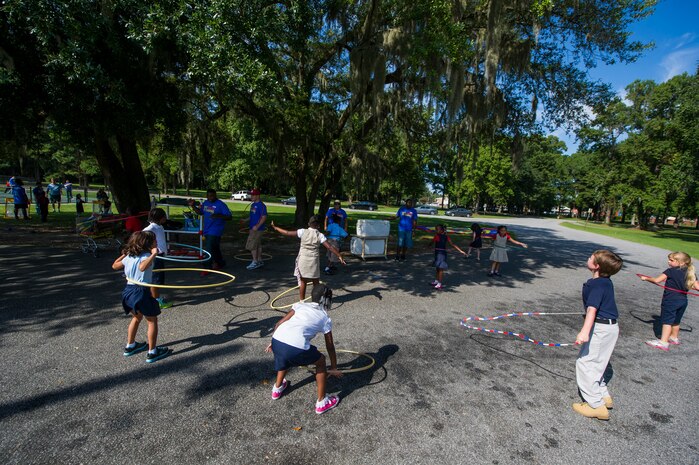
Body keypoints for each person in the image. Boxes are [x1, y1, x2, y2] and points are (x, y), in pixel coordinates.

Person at [265, 284, 342, 414]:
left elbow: (279, 323)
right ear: (327, 300)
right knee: (321, 361)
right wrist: (333, 367)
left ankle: (277, 389)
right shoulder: (325, 318)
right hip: (293, 347)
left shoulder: (300, 305)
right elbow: (330, 346)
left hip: (277, 341)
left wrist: (273, 342)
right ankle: (322, 402)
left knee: (285, 356)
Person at [573, 250, 623, 420]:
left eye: (590, 258)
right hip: (610, 327)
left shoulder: (597, 284)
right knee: (599, 363)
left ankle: (595, 405)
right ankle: (603, 396)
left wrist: (584, 332)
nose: (587, 258)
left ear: (596, 266)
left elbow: (592, 309)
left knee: (585, 363)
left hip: (600, 329)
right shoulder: (605, 281)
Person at [111, 231, 171, 363]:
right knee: (152, 320)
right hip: (141, 292)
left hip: (128, 291)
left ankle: (130, 345)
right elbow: (143, 267)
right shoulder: (146, 256)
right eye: (154, 240)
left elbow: (114, 265)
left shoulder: (129, 257)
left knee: (137, 317)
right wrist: (154, 254)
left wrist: (123, 255)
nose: (156, 242)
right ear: (148, 243)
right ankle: (152, 352)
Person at [272, 215, 346, 300]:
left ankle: (302, 301)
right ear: (318, 225)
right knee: (316, 282)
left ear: (308, 224)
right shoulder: (320, 235)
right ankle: (316, 301)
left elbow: (287, 233)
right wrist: (339, 255)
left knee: (303, 281)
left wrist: (276, 228)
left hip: (303, 259)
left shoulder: (302, 231)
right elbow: (329, 247)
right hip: (313, 260)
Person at [640, 252, 699, 351]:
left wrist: (645, 278)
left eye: (671, 260)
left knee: (667, 321)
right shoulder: (690, 272)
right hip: (683, 301)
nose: (668, 261)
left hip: (670, 300)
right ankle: (674, 338)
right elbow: (697, 287)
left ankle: (663, 342)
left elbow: (657, 280)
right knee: (676, 321)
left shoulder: (670, 271)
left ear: (681, 262)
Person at [188, 189, 232, 273]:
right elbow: (200, 213)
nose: (210, 198)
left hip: (216, 230)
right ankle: (220, 263)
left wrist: (219, 215)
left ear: (215, 195)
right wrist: (193, 206)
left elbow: (229, 217)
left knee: (209, 248)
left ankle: (207, 266)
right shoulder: (206, 203)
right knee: (214, 248)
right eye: (208, 196)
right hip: (207, 229)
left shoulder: (221, 204)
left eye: (212, 196)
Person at [143, 208, 172, 310]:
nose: (166, 218)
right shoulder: (151, 228)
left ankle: (154, 298)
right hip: (156, 257)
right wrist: (152, 251)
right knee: (156, 279)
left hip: (160, 256)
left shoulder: (159, 227)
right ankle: (155, 301)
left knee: (158, 278)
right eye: (164, 216)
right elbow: (142, 238)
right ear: (159, 218)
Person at [431, 224, 466, 290]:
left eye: (437, 229)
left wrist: (460, 251)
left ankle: (439, 284)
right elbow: (432, 242)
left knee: (441, 268)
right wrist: (428, 245)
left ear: (442, 230)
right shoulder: (437, 236)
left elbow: (452, 244)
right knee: (437, 268)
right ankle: (436, 281)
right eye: (436, 229)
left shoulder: (446, 237)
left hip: (442, 254)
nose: (436, 230)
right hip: (437, 253)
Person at [245, 188, 267, 270]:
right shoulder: (253, 205)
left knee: (252, 245)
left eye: (253, 195)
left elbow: (264, 217)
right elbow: (252, 216)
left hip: (257, 229)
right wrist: (245, 220)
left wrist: (257, 226)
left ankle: (255, 261)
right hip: (253, 228)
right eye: (251, 195)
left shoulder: (261, 205)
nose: (251, 196)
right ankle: (259, 260)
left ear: (258, 196)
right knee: (258, 244)